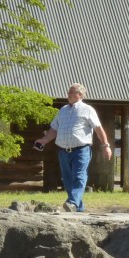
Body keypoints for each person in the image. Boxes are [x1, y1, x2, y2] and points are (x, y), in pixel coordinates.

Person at [34, 83, 112, 212]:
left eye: (72, 92)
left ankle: (72, 201)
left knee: (79, 175)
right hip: (63, 151)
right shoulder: (63, 110)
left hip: (81, 150)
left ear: (80, 95)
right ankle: (78, 207)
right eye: (68, 92)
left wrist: (106, 146)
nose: (68, 95)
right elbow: (54, 129)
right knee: (67, 179)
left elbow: (98, 129)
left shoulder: (88, 109)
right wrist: (43, 140)